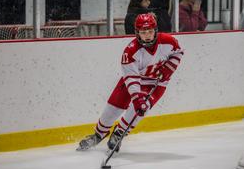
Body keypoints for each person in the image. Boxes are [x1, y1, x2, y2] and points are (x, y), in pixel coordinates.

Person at [77, 13, 184, 152]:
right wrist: (136, 97)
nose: (147, 35)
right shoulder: (130, 51)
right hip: (134, 81)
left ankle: (119, 133)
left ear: (156, 30)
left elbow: (179, 52)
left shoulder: (168, 41)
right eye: (143, 32)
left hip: (156, 84)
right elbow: (132, 78)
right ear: (137, 33)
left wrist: (169, 68)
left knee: (142, 107)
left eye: (150, 31)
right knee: (113, 108)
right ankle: (98, 135)